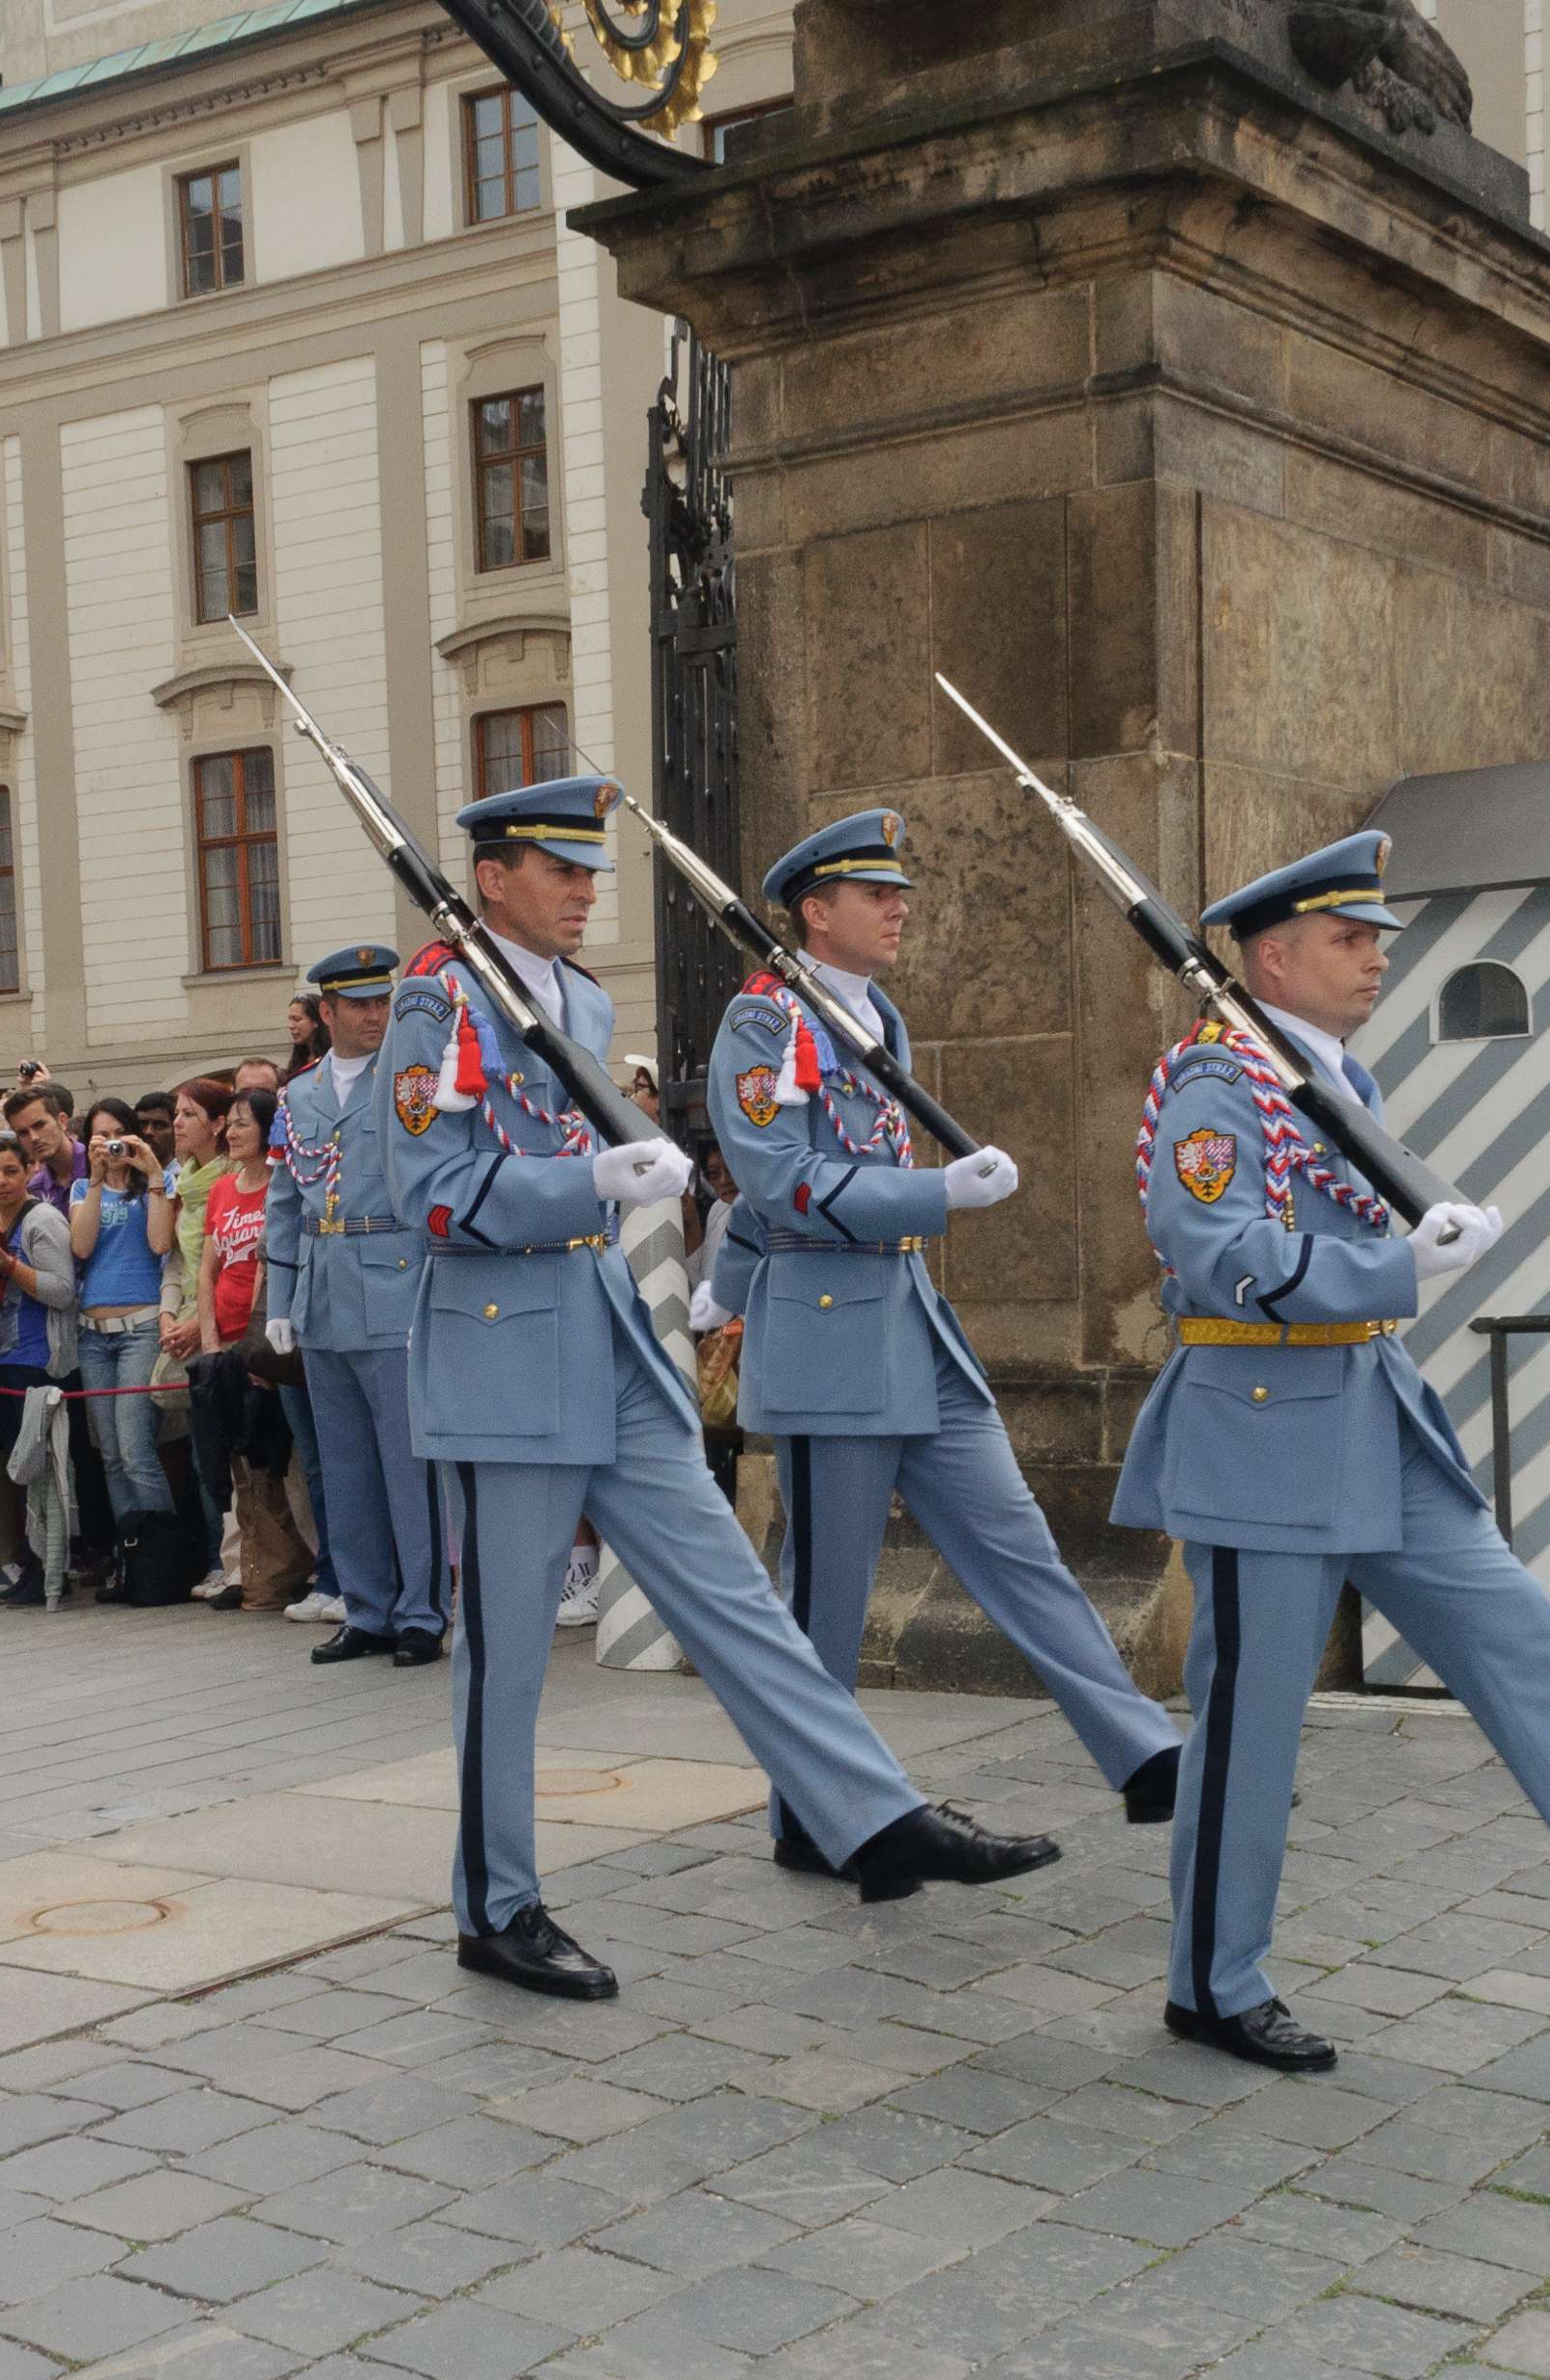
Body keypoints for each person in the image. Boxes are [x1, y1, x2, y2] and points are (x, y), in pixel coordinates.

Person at [1127, 832, 1550, 2072]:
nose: (1375, 957)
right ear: (1270, 957)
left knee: (1528, 1649)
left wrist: (1423, 1229)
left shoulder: (1335, 1076)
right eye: (1348, 939)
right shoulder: (1216, 1087)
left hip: (1377, 1416)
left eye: (1378, 938)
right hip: (1266, 1429)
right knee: (1250, 1730)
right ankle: (1212, 1984)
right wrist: (1402, 1262)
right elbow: (1214, 1252)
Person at [382, 775, 1041, 2001]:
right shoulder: (439, 996)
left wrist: (614, 1172)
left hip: (605, 1337)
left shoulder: (571, 993)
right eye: (561, 869)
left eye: (590, 870)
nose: (586, 890)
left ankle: (867, 1809)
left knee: (734, 1595)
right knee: (511, 1655)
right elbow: (420, 1185)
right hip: (501, 1351)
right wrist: (585, 1183)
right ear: (490, 878)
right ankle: (497, 1902)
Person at [699, 809, 1180, 1844]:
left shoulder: (876, 1015)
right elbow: (779, 1184)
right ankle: (815, 1812)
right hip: (832, 1339)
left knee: (1020, 1549)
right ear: (814, 911)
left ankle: (1143, 1753)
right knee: (826, 1602)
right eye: (875, 893)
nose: (899, 905)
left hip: (911, 1326)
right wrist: (936, 1195)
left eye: (899, 890)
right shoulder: (764, 1022)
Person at [267, 944, 447, 1665]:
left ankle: (422, 1613)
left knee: (409, 1468)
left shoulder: (408, 1082)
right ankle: (367, 1607)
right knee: (343, 1467)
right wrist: (280, 1299)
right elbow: (285, 1203)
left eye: (383, 1000)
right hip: (323, 1291)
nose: (376, 1015)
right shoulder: (298, 1094)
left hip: (395, 1280)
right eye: (360, 1004)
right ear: (327, 1012)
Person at [184, 1088, 305, 1609]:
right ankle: (247, 1571)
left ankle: (304, 1568)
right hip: (224, 1343)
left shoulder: (281, 1188)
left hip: (263, 1344)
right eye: (229, 1124)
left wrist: (254, 1351)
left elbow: (266, 1267)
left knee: (284, 1467)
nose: (231, 1133)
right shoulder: (222, 1190)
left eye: (241, 1124)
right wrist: (211, 1343)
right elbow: (208, 1269)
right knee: (238, 1469)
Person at [0, 1128, 73, 1603]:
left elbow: (63, 1292)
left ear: (28, 1170)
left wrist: (10, 1266)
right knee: (15, 1468)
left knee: (42, 1471)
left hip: (37, 1360)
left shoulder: (43, 1219)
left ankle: (51, 1569)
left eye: (10, 1171)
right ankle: (31, 1564)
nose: (1, 1181)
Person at [67, 1100, 182, 1565]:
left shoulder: (160, 1181)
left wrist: (151, 1171)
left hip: (141, 1327)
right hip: (93, 1332)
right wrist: (96, 1181)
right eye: (101, 1137)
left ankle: (164, 1554)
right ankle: (132, 1556)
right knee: (111, 1454)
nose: (112, 1145)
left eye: (120, 1134)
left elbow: (160, 1243)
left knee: (136, 1450)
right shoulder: (81, 1186)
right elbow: (81, 1246)